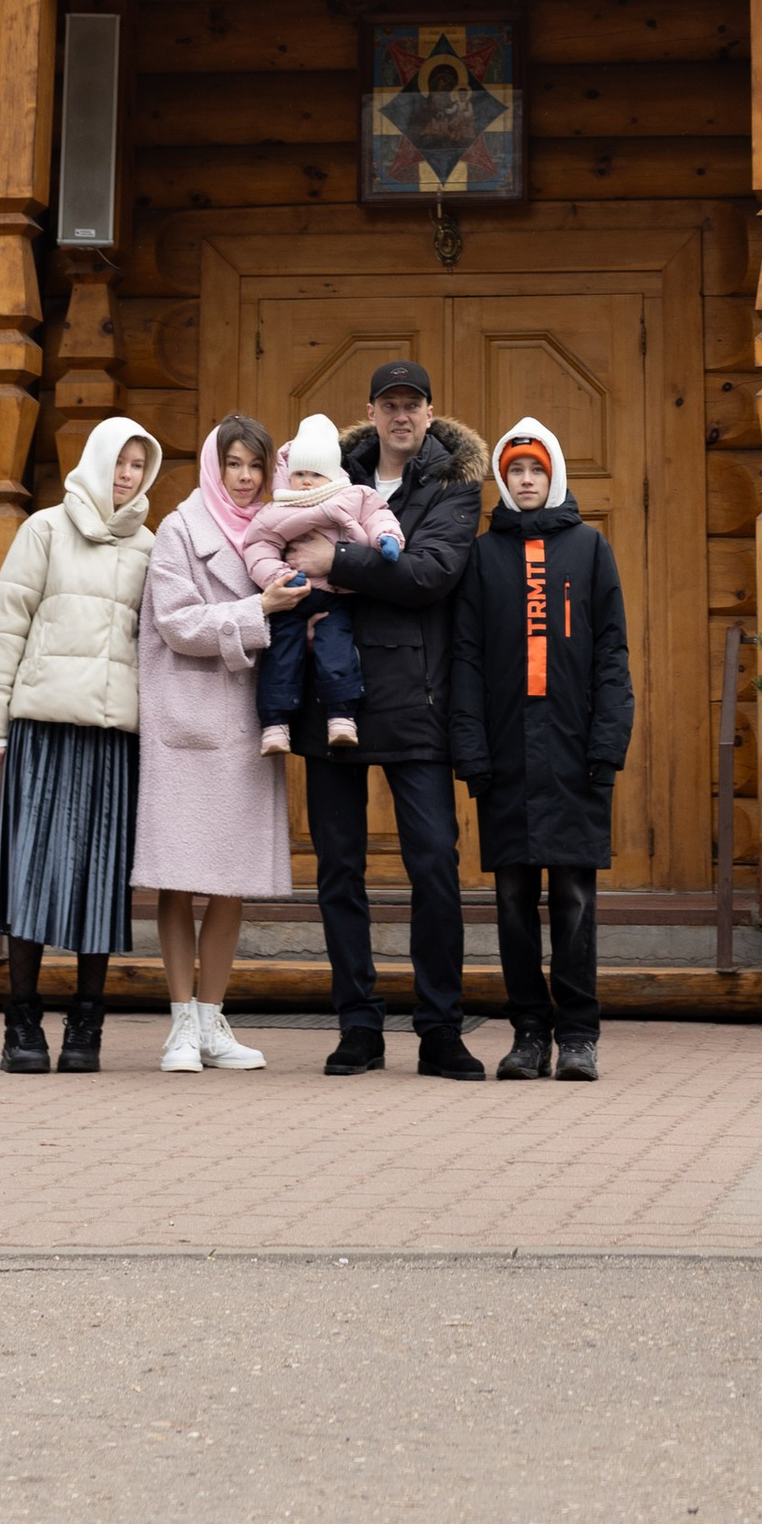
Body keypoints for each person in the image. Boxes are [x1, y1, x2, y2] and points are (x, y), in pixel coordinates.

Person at [293, 357, 486, 1080]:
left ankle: (441, 1029)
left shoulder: (453, 486)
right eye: (388, 404)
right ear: (370, 413)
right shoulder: (327, 475)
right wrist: (359, 567)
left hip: (417, 702)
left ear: (430, 414)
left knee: (434, 866)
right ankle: (358, 1026)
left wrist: (337, 558)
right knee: (338, 871)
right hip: (331, 700)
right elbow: (283, 547)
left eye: (413, 404)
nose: (401, 415)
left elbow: (432, 576)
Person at [0, 411, 165, 1078]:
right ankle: (21, 1023)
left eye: (139, 466)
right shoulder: (44, 530)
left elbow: (161, 645)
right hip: (44, 727)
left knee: (98, 881)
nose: (128, 476)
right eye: (120, 462)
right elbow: (5, 626)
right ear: (97, 460)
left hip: (113, 736)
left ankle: (87, 1023)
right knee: (31, 874)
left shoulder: (151, 546)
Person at [451, 418, 634, 1082]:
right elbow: (466, 659)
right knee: (511, 899)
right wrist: (469, 749)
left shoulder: (590, 549)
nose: (527, 481)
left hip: (574, 754)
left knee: (576, 900)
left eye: (537, 471)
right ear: (503, 478)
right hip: (505, 757)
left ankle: (580, 1034)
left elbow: (612, 653)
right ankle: (529, 1032)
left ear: (554, 474)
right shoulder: (482, 556)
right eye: (516, 471)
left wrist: (608, 740)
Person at [133, 414, 299, 1075]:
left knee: (230, 884)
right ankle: (178, 1027)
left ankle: (211, 1022)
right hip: (186, 724)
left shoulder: (278, 533)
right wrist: (257, 612)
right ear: (214, 465)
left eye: (256, 465)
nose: (246, 476)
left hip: (250, 724)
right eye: (234, 463)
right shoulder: (180, 529)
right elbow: (176, 625)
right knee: (177, 882)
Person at [240, 413, 403, 756]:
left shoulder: (353, 495)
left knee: (338, 652)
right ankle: (274, 724)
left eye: (315, 474)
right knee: (281, 656)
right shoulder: (277, 508)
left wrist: (387, 538)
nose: (307, 482)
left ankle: (342, 717)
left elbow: (378, 515)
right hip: (291, 597)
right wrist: (276, 577)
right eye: (300, 473)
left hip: (334, 595)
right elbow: (259, 547)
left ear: (331, 474)